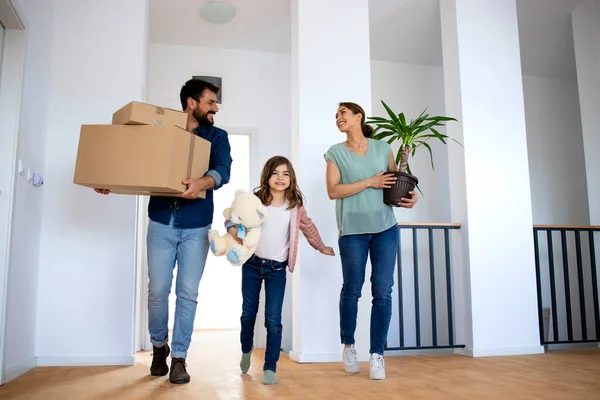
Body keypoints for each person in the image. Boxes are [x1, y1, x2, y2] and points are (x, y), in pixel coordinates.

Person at [95, 79, 233, 384]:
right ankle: (160, 347)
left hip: (196, 226)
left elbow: (223, 170)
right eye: (211, 102)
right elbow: (134, 162)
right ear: (192, 103)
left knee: (188, 293)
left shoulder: (217, 137)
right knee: (157, 291)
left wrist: (202, 181)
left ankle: (180, 357)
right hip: (161, 223)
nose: (216, 108)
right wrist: (110, 178)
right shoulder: (161, 132)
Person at [324, 102, 418, 380]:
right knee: (352, 289)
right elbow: (333, 191)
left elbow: (397, 182)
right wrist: (369, 182)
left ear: (358, 117)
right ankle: (349, 346)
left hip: (385, 228)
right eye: (336, 115)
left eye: (343, 113)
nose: (338, 118)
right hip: (352, 230)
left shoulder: (382, 148)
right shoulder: (335, 153)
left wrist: (410, 198)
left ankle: (377, 354)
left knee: (383, 291)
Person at [226, 156, 335, 385]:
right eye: (275, 173)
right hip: (252, 264)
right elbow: (232, 216)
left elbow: (308, 227)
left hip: (277, 269)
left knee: (273, 320)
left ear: (291, 178)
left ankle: (270, 367)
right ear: (267, 176)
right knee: (248, 313)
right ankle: (246, 349)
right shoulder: (255, 200)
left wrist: (321, 246)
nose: (280, 178)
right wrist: (232, 229)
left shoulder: (294, 206)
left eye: (285, 174)